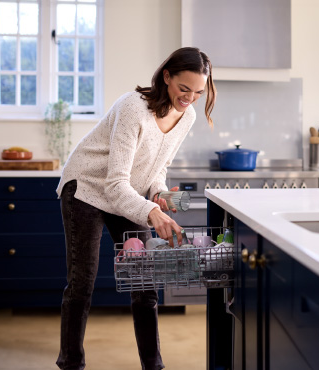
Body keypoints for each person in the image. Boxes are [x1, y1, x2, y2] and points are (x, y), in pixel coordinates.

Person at [55, 47, 216, 370]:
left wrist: (158, 193)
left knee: (144, 283)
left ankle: (153, 366)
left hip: (128, 195)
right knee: (83, 282)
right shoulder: (134, 107)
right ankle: (71, 363)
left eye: (199, 92)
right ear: (166, 77)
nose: (190, 98)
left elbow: (158, 168)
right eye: (184, 89)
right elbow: (114, 184)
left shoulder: (188, 116)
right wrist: (151, 212)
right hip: (87, 188)